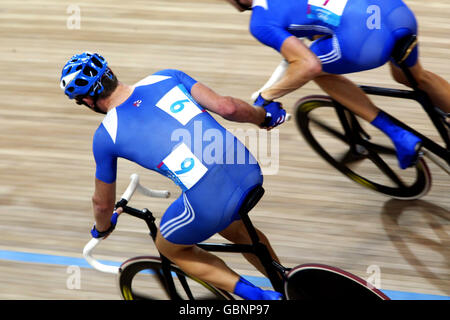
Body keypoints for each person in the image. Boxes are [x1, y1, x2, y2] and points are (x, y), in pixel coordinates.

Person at [60, 52, 284, 300]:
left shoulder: (105, 136)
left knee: (168, 245)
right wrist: (264, 117)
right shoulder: (166, 77)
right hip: (248, 168)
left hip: (210, 197)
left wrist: (102, 228)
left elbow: (102, 204)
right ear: (110, 72)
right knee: (235, 227)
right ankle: (285, 283)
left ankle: (261, 299)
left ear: (88, 100)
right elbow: (227, 107)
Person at [225, 0, 450, 169]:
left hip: (364, 38)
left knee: (317, 71)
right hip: (396, 12)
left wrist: (266, 98)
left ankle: (399, 135)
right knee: (412, 77)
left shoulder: (261, 21)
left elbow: (307, 66)